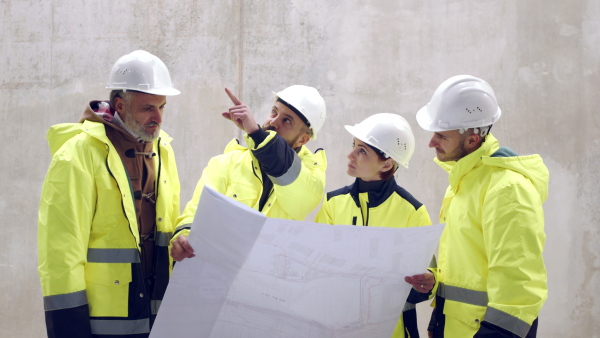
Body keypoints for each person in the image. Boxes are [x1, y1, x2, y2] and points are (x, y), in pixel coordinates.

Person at [38, 50, 181, 338]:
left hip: (160, 315)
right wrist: (69, 330)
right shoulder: (77, 155)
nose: (158, 118)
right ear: (120, 105)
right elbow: (61, 253)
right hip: (102, 322)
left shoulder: (162, 149)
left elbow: (168, 228)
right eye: (148, 108)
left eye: (162, 107)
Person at [416, 75, 548, 337]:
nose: (431, 142)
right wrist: (437, 320)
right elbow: (461, 269)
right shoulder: (463, 183)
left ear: (472, 141)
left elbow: (519, 285)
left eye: (441, 135)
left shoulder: (508, 190)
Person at [170, 85, 327, 261]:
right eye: (274, 112)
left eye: (287, 121)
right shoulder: (225, 164)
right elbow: (195, 213)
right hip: (218, 275)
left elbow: (289, 172)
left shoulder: (311, 180)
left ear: (302, 140)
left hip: (266, 283)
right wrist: (183, 237)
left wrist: (256, 134)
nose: (274, 122)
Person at [315, 113, 433, 337]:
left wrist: (424, 284)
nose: (350, 155)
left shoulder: (413, 213)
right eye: (354, 146)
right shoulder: (332, 203)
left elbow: (427, 284)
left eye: (362, 151)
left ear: (387, 163)